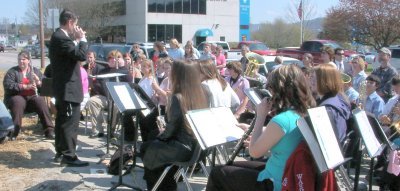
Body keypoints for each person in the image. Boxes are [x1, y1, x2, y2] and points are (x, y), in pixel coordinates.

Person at [206, 65, 316, 191]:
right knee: (232, 165)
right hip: (287, 171)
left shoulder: (282, 120)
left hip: (277, 182)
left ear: (278, 89)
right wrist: (254, 129)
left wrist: (261, 115)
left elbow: (254, 152)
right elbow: (285, 134)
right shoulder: (302, 112)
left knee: (218, 173)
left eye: (270, 87)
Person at [141, 60, 207, 191]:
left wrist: (162, 135)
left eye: (173, 71)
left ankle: (157, 186)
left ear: (179, 75)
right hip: (195, 148)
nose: (170, 74)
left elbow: (172, 127)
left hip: (182, 148)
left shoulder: (178, 97)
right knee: (153, 139)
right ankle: (165, 181)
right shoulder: (200, 94)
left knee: (146, 147)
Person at [49, 9, 88, 166]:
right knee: (70, 123)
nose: (76, 28)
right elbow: (81, 56)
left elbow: (73, 54)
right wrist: (83, 39)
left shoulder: (60, 37)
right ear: (70, 22)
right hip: (68, 88)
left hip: (64, 87)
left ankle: (60, 152)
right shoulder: (61, 38)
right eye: (75, 24)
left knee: (62, 121)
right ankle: (69, 155)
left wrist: (76, 41)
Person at [3, 51, 55, 140]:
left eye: (23, 59)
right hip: (16, 97)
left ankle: (49, 130)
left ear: (28, 60)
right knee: (18, 101)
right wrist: (25, 87)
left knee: (40, 100)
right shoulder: (12, 72)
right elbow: (8, 85)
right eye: (19, 59)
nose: (21, 61)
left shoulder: (35, 71)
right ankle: (14, 131)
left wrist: (39, 82)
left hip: (31, 98)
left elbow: (46, 86)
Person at [86, 50, 131, 138]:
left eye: (116, 58)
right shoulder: (104, 70)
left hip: (118, 98)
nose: (113, 60)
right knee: (92, 101)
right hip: (105, 96)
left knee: (115, 107)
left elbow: (129, 83)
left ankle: (111, 130)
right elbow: (97, 84)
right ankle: (98, 130)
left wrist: (122, 66)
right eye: (110, 58)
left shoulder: (123, 70)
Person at [311, 64, 351, 144]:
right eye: (311, 77)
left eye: (314, 79)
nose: (311, 81)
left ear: (326, 82)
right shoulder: (338, 98)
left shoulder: (327, 109)